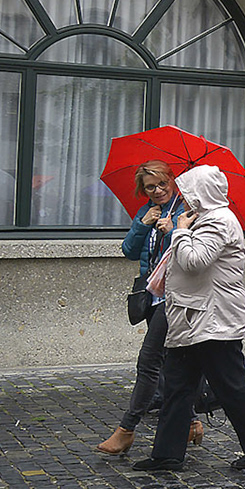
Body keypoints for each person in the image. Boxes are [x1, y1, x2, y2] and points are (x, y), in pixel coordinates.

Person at [131, 166, 245, 473]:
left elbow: (195, 261)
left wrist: (179, 232)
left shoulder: (219, 221)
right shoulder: (202, 219)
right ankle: (167, 454)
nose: (182, 197)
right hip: (191, 319)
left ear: (201, 192)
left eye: (187, 191)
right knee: (178, 388)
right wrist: (180, 229)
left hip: (214, 322)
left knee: (231, 386)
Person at [98, 162, 201, 455]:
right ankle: (192, 422)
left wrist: (172, 231)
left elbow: (192, 254)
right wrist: (143, 225)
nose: (156, 191)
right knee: (169, 363)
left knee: (148, 363)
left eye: (161, 185)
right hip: (152, 298)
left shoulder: (187, 211)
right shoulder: (147, 211)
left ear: (173, 182)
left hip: (176, 297)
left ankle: (126, 429)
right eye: (149, 187)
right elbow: (130, 251)